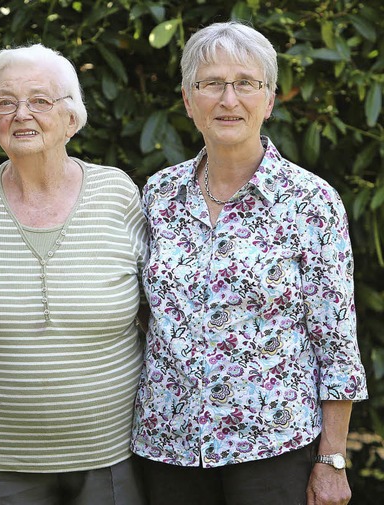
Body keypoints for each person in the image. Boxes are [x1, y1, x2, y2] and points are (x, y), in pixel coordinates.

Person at [131, 21, 368, 505]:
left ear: (270, 99)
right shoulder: (157, 195)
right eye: (212, 83)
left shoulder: (311, 201)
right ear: (187, 99)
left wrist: (333, 457)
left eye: (245, 84)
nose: (228, 99)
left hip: (274, 450)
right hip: (168, 448)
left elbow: (336, 339)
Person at [0, 43, 148, 505]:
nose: (21, 114)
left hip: (110, 455)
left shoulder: (116, 192)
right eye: (6, 102)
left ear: (72, 118)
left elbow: (159, 308)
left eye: (39, 100)